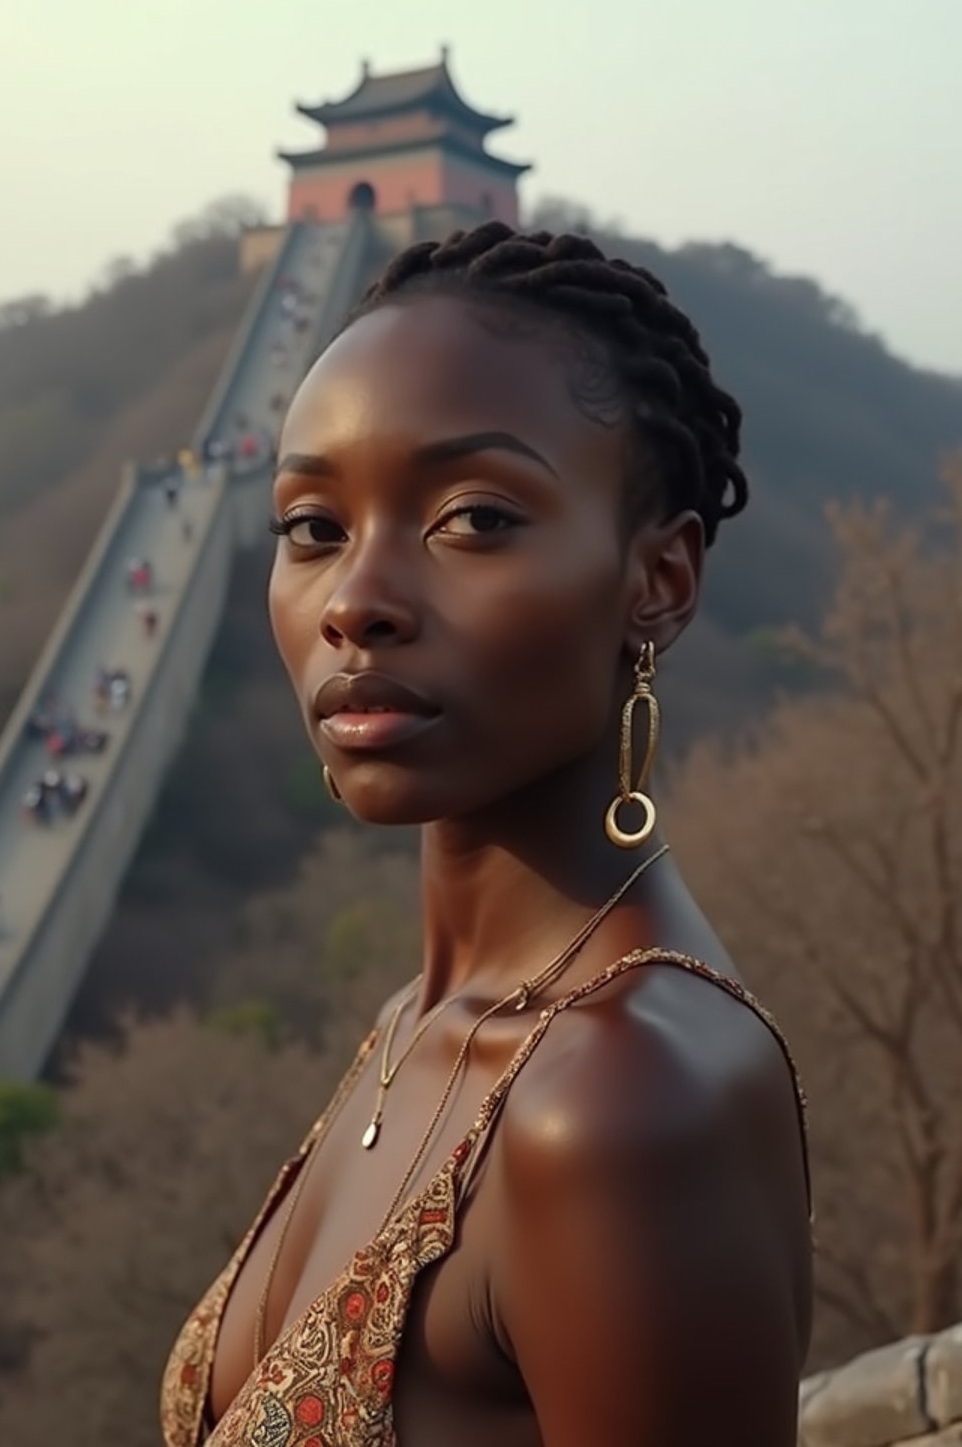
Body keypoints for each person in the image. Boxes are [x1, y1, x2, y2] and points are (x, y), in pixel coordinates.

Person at [161, 223, 813, 1447]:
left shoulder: (624, 1099)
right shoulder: (416, 1025)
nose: (355, 600)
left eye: (470, 517)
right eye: (312, 527)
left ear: (656, 582)